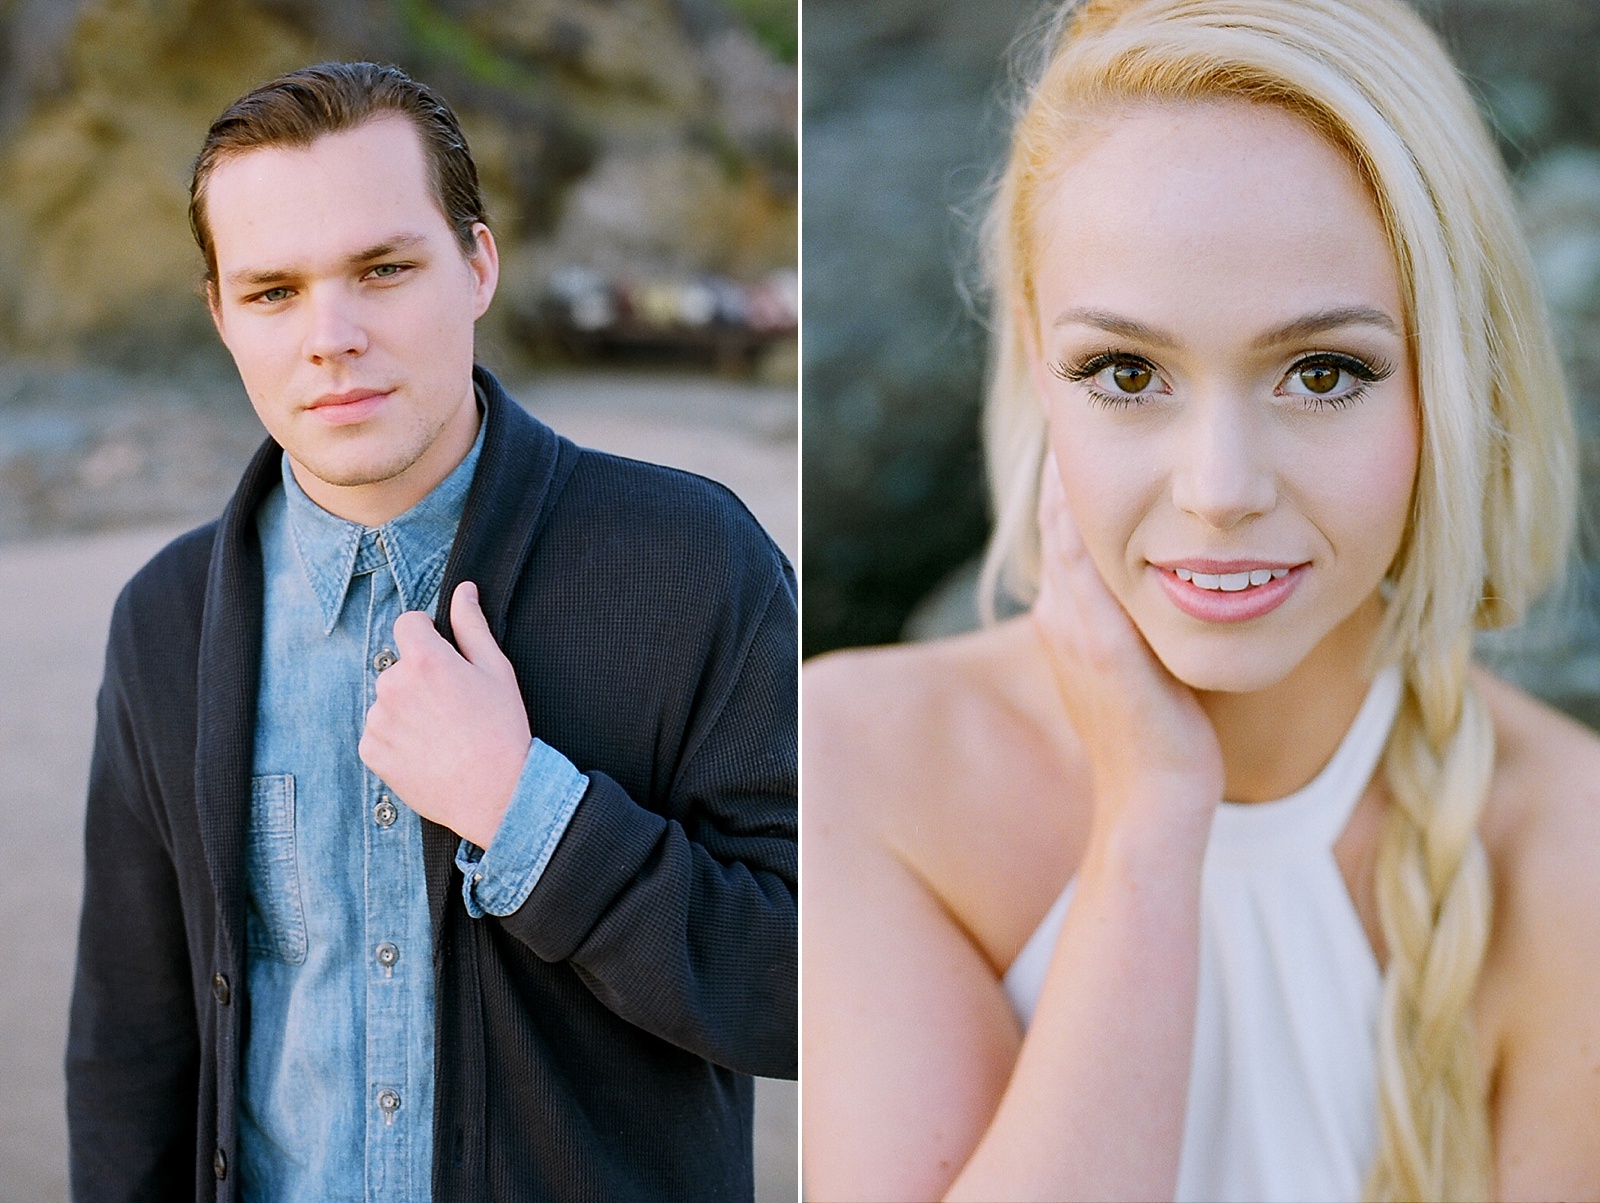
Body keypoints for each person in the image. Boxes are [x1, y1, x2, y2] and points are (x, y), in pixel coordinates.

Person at [803, 1, 1600, 1200]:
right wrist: (1151, 821)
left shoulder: (1570, 851)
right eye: (1126, 373)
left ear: (1453, 372)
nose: (1219, 489)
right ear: (1036, 363)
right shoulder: (855, 761)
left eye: (1323, 372)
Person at [65, 62, 796, 1202]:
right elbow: (130, 1047)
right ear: (220, 316)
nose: (332, 337)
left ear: (478, 266)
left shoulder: (691, 562)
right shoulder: (166, 619)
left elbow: (806, 996)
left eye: (383, 269)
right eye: (272, 293)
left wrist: (529, 814)